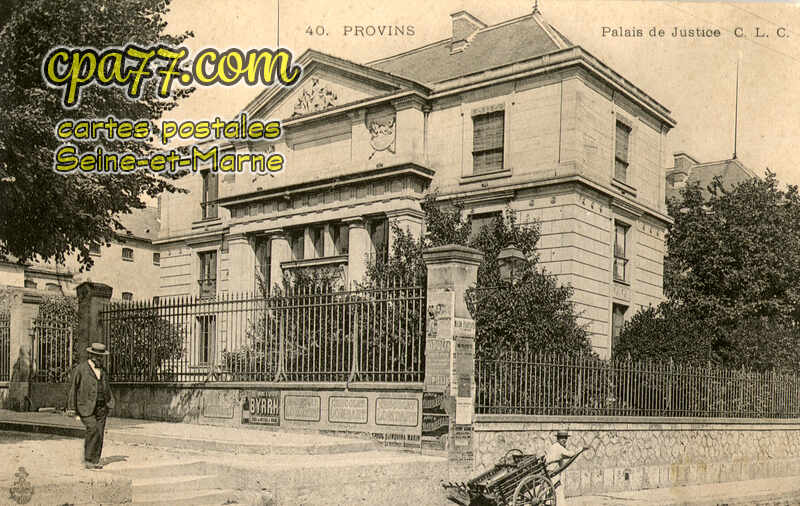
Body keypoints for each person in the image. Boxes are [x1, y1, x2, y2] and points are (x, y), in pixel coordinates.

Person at [67, 342, 115, 470]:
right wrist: (71, 408)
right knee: (93, 429)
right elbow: (73, 389)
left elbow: (106, 387)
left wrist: (110, 403)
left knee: (99, 433)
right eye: (96, 356)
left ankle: (95, 460)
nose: (99, 359)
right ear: (91, 355)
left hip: (101, 407)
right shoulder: (81, 369)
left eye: (101, 356)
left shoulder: (103, 371)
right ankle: (88, 460)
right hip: (85, 407)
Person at [545, 431, 585, 505]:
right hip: (553, 471)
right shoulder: (559, 447)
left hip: (550, 471)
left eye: (565, 438)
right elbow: (570, 454)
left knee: (552, 489)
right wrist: (580, 449)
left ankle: (549, 503)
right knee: (558, 490)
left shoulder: (554, 446)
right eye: (562, 438)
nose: (564, 440)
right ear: (558, 439)